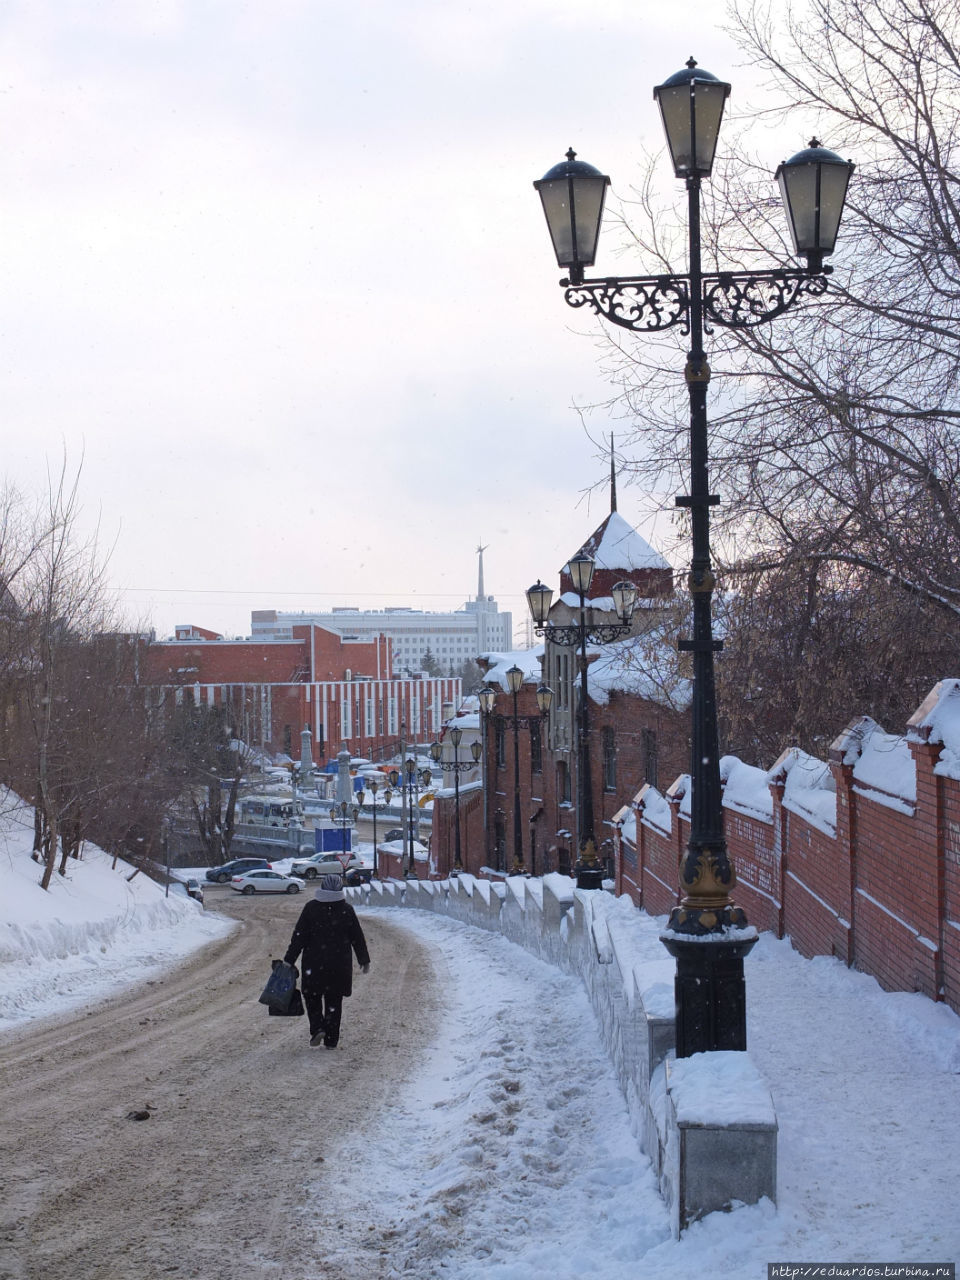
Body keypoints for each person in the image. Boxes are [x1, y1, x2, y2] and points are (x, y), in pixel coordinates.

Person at [283, 873, 370, 1049]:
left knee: (312, 997)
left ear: (321, 888)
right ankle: (331, 1040)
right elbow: (357, 937)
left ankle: (317, 1028)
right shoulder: (346, 910)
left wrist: (289, 960)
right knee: (334, 1002)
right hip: (339, 965)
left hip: (314, 965)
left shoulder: (311, 908)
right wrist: (364, 959)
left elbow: (299, 937)